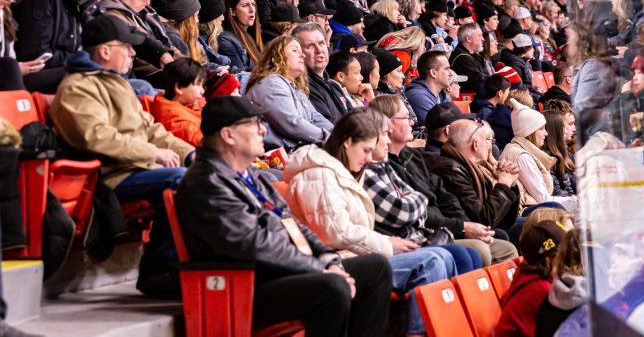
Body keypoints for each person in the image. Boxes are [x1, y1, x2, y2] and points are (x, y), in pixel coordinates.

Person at [176, 95, 392, 336]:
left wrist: (328, 259)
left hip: (281, 271)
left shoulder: (252, 176)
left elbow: (294, 224)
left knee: (377, 267)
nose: (263, 130)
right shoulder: (207, 182)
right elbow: (253, 245)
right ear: (228, 135)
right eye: (254, 124)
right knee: (333, 286)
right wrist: (318, 269)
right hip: (246, 284)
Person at [48, 15, 193, 296]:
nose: (133, 53)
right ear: (104, 51)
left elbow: (151, 129)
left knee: (199, 172)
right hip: (109, 176)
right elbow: (96, 136)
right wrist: (153, 153)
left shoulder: (119, 83)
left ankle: (195, 263)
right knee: (179, 180)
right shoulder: (78, 87)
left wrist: (191, 155)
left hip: (136, 168)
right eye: (127, 47)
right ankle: (159, 269)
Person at [284, 111, 456, 336]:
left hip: (357, 255)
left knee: (446, 255)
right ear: (347, 142)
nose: (368, 158)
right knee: (431, 261)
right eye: (365, 150)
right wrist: (386, 244)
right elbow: (336, 232)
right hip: (338, 262)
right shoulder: (319, 176)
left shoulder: (343, 171)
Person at [364, 96, 484, 275]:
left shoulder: (413, 157)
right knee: (471, 252)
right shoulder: (377, 166)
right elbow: (410, 210)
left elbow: (442, 196)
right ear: (387, 126)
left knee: (481, 248)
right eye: (405, 118)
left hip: (436, 229)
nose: (412, 122)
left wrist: (464, 224)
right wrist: (461, 227)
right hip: (415, 236)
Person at [433, 117, 523, 233]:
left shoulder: (469, 167)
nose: (489, 146)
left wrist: (510, 183)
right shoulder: (451, 171)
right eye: (486, 140)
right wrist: (504, 184)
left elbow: (505, 220)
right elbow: (483, 220)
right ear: (475, 145)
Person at [245, 35, 333, 151]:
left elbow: (315, 117)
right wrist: (329, 138)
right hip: (277, 156)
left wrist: (338, 134)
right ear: (277, 56)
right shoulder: (272, 82)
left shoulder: (295, 87)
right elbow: (292, 123)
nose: (303, 55)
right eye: (295, 50)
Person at [494, 214, 574, 337]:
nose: (568, 258)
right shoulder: (542, 290)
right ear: (549, 259)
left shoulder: (527, 275)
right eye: (564, 253)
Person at [98, 0, 176, 79]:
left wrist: (187, 64)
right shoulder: (113, 18)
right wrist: (179, 69)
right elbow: (140, 63)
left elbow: (168, 46)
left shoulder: (148, 12)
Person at [500, 105, 577, 213]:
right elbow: (543, 199)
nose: (546, 133)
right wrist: (576, 201)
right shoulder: (523, 157)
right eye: (541, 129)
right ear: (529, 132)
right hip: (531, 212)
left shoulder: (519, 151)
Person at [294, 22, 354, 122]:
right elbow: (329, 125)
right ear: (299, 53)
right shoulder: (305, 88)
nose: (319, 50)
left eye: (321, 43)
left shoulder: (334, 85)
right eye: (310, 46)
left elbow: (355, 119)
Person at [148, 58, 207, 146]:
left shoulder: (189, 103)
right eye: (198, 85)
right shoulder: (176, 121)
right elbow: (206, 143)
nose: (202, 90)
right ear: (179, 88)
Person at [405, 50, 452, 124]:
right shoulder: (418, 96)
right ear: (433, 73)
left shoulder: (442, 95)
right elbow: (438, 128)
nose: (451, 73)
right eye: (446, 69)